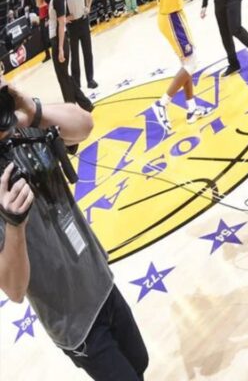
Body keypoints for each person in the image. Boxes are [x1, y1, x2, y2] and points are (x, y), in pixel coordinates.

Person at [0, 81, 147, 380]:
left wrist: (32, 110)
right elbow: (14, 290)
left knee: (140, 362)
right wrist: (14, 226)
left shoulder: (23, 125)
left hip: (100, 281)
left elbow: (84, 125)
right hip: (73, 320)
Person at [148, 0, 218, 134]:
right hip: (172, 17)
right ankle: (161, 104)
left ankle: (191, 109)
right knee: (192, 61)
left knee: (186, 63)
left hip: (169, 16)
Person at [36, 0, 93, 112]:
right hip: (56, 41)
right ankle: (84, 105)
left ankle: (73, 108)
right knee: (64, 77)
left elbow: (62, 24)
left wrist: (60, 48)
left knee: (64, 78)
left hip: (59, 41)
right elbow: (39, 3)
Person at [65, 0, 98, 90]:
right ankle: (76, 83)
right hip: (72, 27)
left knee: (87, 52)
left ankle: (90, 80)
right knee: (75, 55)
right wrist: (67, 18)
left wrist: (88, 7)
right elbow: (60, 10)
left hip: (84, 23)